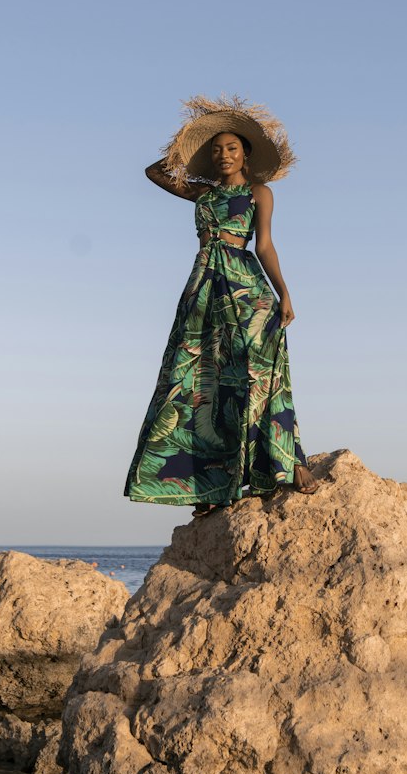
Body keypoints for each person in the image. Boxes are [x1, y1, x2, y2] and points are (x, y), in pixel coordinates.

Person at [124, 95, 317, 514]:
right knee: (197, 381)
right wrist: (185, 144)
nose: (223, 154)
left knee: (257, 377)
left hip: (248, 291)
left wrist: (284, 291)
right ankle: (210, 487)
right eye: (216, 149)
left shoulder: (258, 193)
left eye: (231, 148)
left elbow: (264, 246)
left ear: (246, 155)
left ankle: (287, 462)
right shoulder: (202, 195)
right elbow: (154, 172)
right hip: (203, 291)